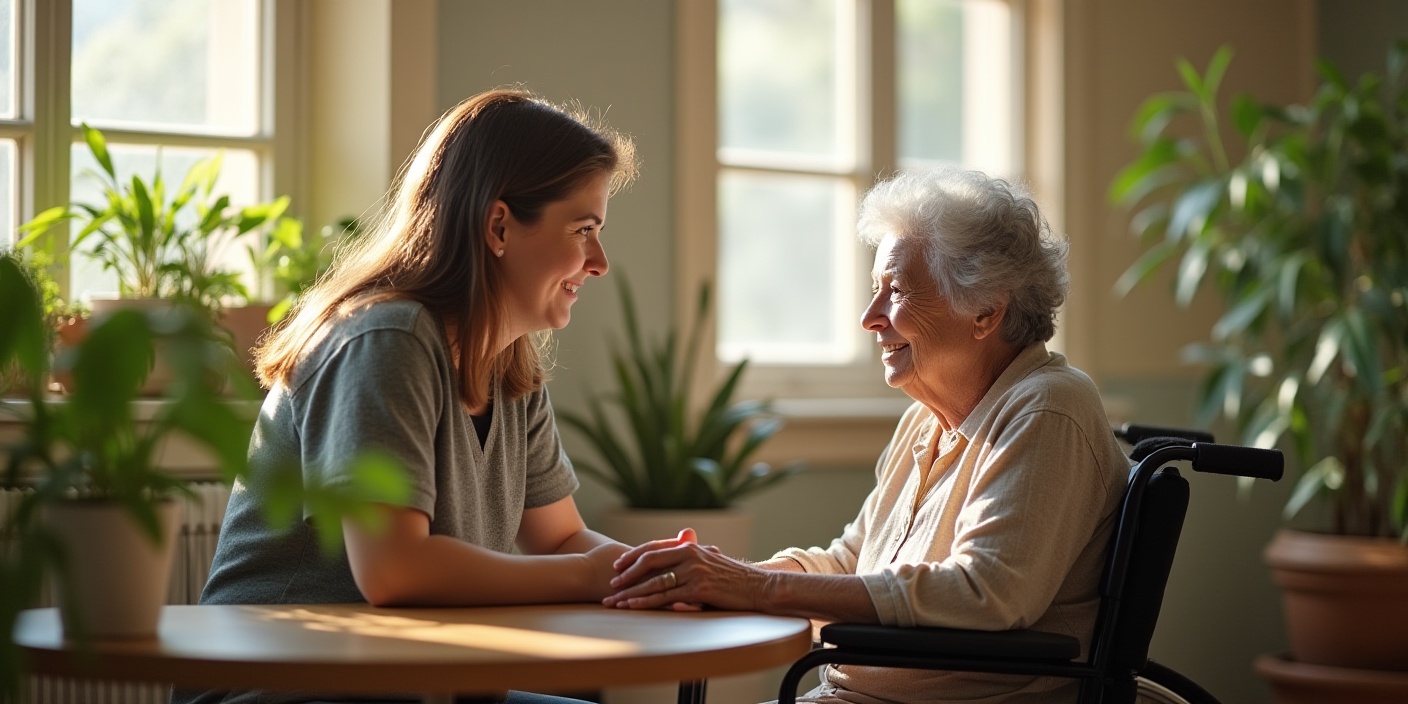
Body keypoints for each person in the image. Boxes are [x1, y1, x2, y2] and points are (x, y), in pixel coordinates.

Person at [173, 88, 639, 704]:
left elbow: (558, 539)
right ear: (499, 225)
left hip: (412, 686)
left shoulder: (507, 362)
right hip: (288, 691)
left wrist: (661, 571)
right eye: (583, 229)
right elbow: (394, 570)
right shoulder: (386, 338)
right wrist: (589, 576)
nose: (600, 261)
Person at [604, 166, 1132, 704]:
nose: (869, 317)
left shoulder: (1048, 408)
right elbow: (851, 561)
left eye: (896, 291)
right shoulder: (926, 420)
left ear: (986, 310)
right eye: (875, 290)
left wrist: (754, 588)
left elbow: (986, 594)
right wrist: (723, 577)